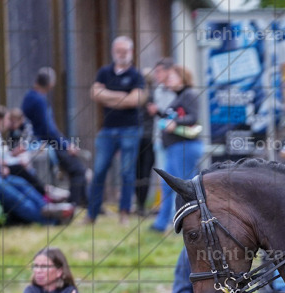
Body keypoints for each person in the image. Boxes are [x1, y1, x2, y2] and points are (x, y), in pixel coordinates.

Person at [87, 36, 145, 225]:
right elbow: (95, 94)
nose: (121, 55)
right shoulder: (104, 72)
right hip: (107, 130)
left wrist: (108, 97)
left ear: (131, 52)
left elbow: (135, 100)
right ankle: (91, 214)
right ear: (113, 52)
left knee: (127, 173)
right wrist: (121, 95)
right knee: (99, 171)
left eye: (125, 51)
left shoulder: (136, 75)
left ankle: (124, 214)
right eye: (118, 51)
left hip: (130, 129)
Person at [21, 67, 89, 207]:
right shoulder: (39, 100)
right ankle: (73, 205)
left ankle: (88, 203)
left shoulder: (29, 97)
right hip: (46, 144)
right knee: (78, 170)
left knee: (78, 170)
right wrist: (66, 145)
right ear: (51, 84)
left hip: (38, 143)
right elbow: (49, 129)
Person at [151, 65, 204, 233]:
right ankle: (161, 223)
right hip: (175, 148)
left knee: (184, 188)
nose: (169, 80)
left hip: (185, 147)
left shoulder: (189, 94)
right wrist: (159, 114)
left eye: (172, 77)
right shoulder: (178, 96)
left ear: (182, 78)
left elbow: (193, 117)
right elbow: (174, 117)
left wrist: (175, 123)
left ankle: (188, 225)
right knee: (167, 186)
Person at [136, 58, 174, 215]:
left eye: (159, 71)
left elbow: (170, 114)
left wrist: (157, 111)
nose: (157, 75)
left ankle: (168, 211)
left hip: (165, 140)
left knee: (169, 176)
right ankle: (162, 211)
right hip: (155, 139)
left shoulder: (169, 92)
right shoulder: (156, 92)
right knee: (160, 177)